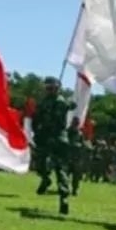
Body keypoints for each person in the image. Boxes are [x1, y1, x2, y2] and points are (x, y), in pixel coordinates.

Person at [31, 77, 74, 216]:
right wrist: (36, 131)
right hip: (45, 138)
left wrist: (43, 128)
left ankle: (64, 198)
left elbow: (56, 121)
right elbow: (36, 118)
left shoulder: (60, 102)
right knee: (40, 164)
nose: (49, 90)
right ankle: (46, 180)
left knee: (60, 169)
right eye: (48, 87)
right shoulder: (45, 102)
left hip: (56, 139)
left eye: (51, 87)